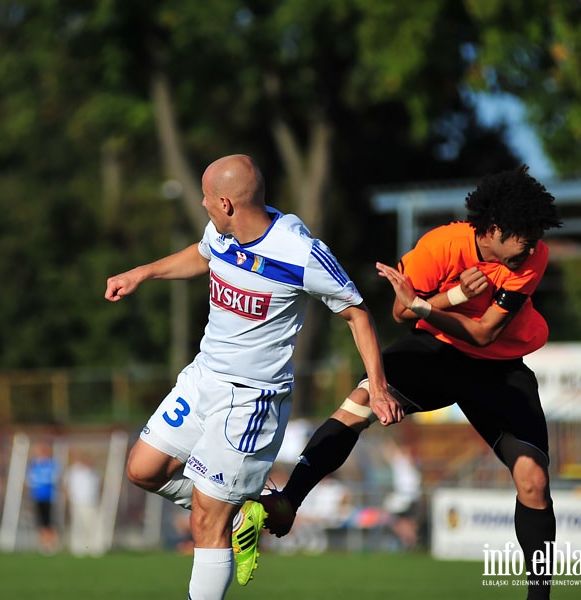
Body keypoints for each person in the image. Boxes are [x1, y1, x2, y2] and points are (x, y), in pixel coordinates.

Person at [104, 154, 402, 599]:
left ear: (226, 203)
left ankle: (225, 513)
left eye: (206, 199)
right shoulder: (222, 233)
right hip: (203, 378)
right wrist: (141, 273)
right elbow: (202, 254)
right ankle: (244, 511)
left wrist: (377, 387)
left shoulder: (300, 252)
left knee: (206, 519)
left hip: (251, 402)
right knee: (143, 469)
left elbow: (357, 313)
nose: (202, 206)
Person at [257, 165, 562, 598]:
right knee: (360, 403)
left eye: (535, 237)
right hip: (434, 350)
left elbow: (483, 333)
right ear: (493, 229)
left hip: (499, 365)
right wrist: (445, 300)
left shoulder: (531, 256)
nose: (531, 246)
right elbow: (401, 314)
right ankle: (289, 501)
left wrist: (429, 305)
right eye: (523, 237)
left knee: (534, 480)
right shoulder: (440, 245)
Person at [64, 452, 103, 556]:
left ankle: (95, 548)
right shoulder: (73, 470)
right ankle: (78, 548)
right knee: (78, 525)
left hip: (91, 501)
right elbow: (67, 486)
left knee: (92, 525)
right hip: (77, 501)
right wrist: (68, 500)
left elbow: (99, 486)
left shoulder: (94, 471)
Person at [25, 441, 60, 554]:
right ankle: (44, 544)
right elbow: (30, 480)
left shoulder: (51, 464)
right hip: (37, 497)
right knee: (40, 521)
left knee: (49, 521)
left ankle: (52, 544)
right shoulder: (34, 465)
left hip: (49, 497)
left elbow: (54, 478)